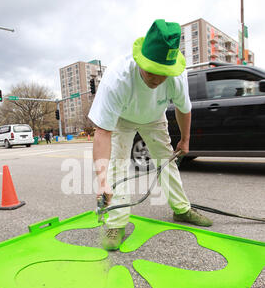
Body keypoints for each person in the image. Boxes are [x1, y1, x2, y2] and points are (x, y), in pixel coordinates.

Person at [89, 19, 212, 250]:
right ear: (140, 60)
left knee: (167, 161)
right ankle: (116, 222)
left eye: (163, 73)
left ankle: (181, 209)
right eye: (152, 72)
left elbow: (184, 109)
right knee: (117, 165)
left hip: (155, 117)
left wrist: (185, 140)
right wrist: (102, 181)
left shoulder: (177, 76)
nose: (157, 79)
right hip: (122, 119)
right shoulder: (117, 79)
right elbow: (103, 131)